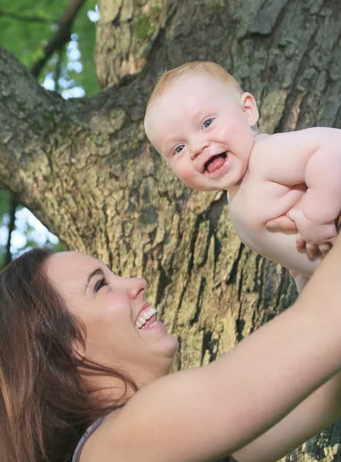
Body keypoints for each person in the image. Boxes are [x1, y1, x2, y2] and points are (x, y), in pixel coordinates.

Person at [0, 235, 341, 462]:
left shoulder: (154, 458)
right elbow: (325, 323)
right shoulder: (128, 443)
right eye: (101, 285)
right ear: (62, 352)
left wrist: (307, 261)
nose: (137, 283)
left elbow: (326, 392)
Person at [144, 61, 341, 291]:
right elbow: (295, 258)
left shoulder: (265, 156)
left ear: (247, 111)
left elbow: (334, 149)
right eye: (178, 149)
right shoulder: (239, 202)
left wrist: (316, 217)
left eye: (207, 123)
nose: (197, 146)